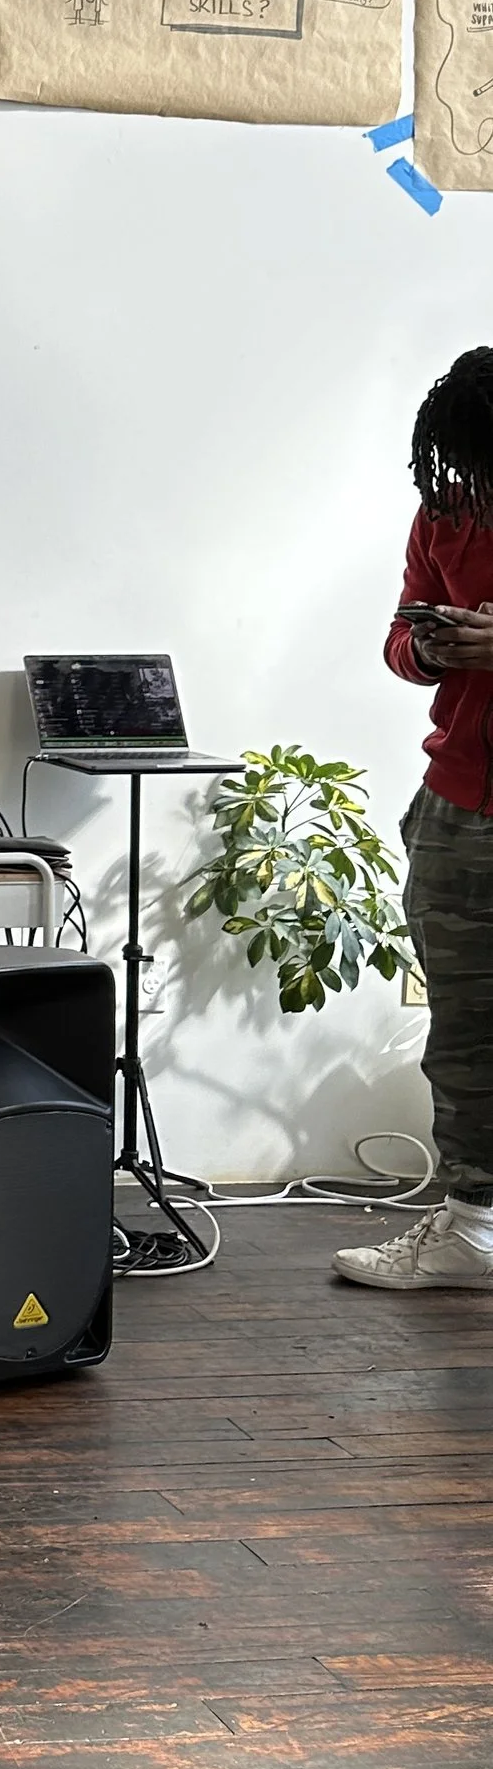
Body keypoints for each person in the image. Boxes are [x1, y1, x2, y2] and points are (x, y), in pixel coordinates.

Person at [342, 346, 493, 1291]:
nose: (470, 488)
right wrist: (429, 648)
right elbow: (399, 634)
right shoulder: (444, 509)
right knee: (466, 1024)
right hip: (460, 798)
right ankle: (474, 1224)